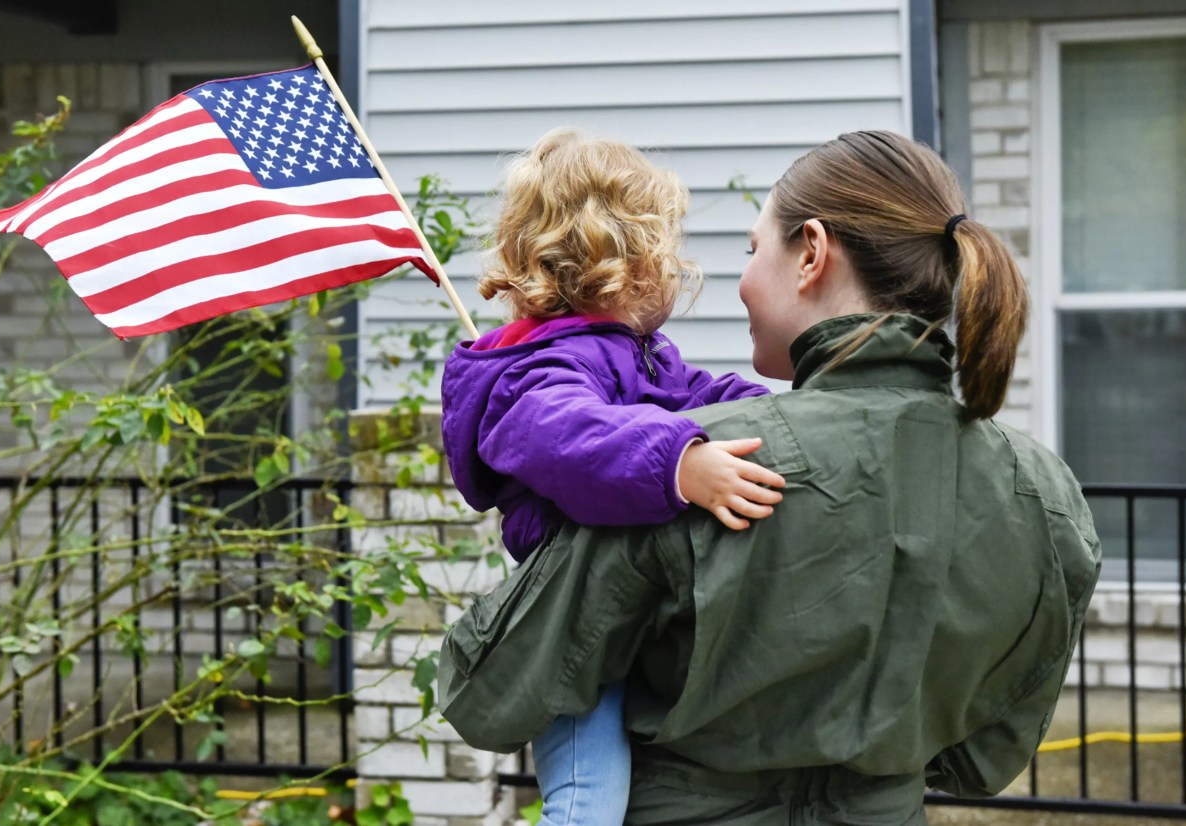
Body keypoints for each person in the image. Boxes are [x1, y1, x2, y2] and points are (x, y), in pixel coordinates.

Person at [438, 130, 1102, 825]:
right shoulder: (1048, 499)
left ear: (811, 252)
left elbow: (494, 690)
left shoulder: (704, 470)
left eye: (753, 251)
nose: (738, 281)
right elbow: (982, 753)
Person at [439, 129, 786, 826]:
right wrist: (681, 464)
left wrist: (800, 419)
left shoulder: (638, 356)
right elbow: (567, 436)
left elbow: (703, 395)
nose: (675, 274)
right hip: (575, 634)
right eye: (668, 258)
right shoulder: (540, 373)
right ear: (626, 268)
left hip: (623, 612)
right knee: (587, 806)